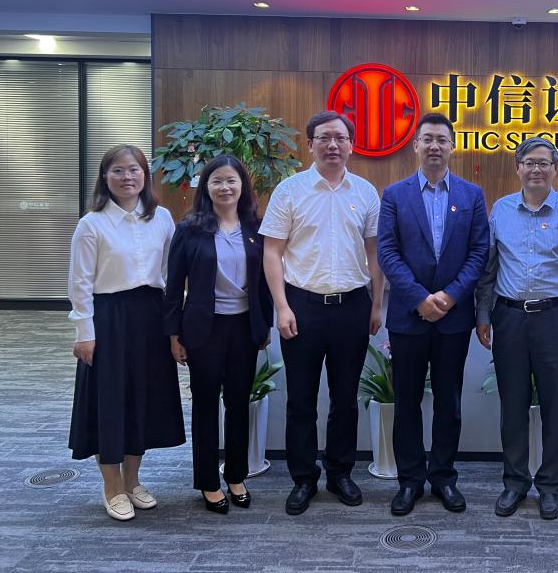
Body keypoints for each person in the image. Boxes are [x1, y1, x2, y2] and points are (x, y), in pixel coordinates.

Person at [260, 111, 384, 516]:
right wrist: (281, 307)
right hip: (302, 306)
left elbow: (374, 253)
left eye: (341, 138)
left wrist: (376, 304)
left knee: (346, 399)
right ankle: (303, 478)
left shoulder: (365, 192)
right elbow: (272, 251)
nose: (333, 145)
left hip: (352, 306)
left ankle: (340, 473)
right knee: (301, 400)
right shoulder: (289, 190)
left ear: (351, 145)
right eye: (325, 138)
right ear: (310, 144)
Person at [475, 136, 558, 521]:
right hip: (509, 317)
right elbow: (488, 270)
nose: (536, 169)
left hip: (556, 317)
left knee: (555, 407)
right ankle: (514, 482)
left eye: (544, 163)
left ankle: (551, 486)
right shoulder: (500, 210)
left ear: (555, 169)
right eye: (529, 162)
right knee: (512, 405)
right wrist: (483, 314)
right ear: (518, 168)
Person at [376, 113, 489, 516]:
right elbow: (387, 251)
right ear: (416, 146)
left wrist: (451, 296)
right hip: (408, 317)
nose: (435, 145)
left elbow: (479, 252)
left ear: (452, 146)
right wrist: (420, 298)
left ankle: (443, 477)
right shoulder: (395, 195)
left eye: (442, 139)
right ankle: (410, 480)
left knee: (449, 401)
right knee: (406, 402)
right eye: (428, 139)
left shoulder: (472, 195)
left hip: (453, 319)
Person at [67, 144, 184, 521]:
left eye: (134, 170)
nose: (126, 177)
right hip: (108, 318)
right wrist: (85, 332)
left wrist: (174, 326)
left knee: (142, 398)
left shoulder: (162, 217)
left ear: (145, 175)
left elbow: (170, 274)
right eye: (117, 170)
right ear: (105, 178)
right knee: (110, 400)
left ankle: (132, 481)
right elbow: (80, 283)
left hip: (151, 315)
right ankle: (112, 486)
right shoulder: (92, 224)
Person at [164, 155, 272, 514]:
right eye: (217, 181)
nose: (225, 187)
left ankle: (236, 476)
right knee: (206, 405)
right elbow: (173, 286)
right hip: (203, 330)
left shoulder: (256, 228)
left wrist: (265, 325)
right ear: (206, 187)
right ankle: (209, 481)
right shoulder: (189, 229)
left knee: (239, 404)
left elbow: (265, 284)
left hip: (244, 329)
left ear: (242, 186)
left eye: (231, 181)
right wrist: (173, 334)